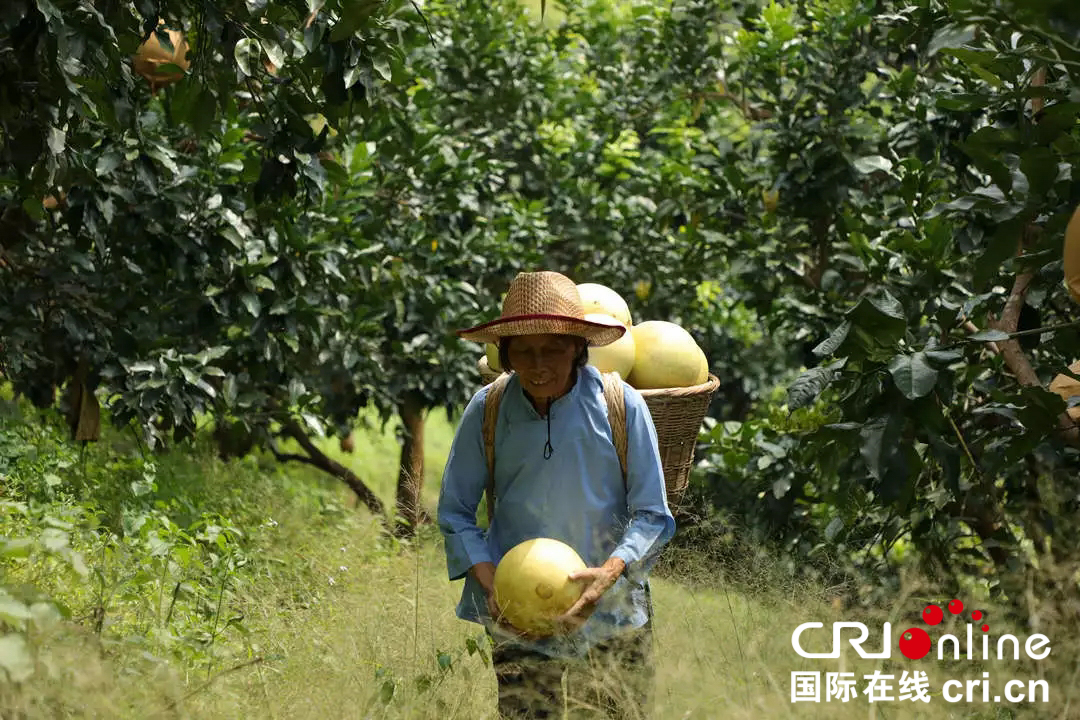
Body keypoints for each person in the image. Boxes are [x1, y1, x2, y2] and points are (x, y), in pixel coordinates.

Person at [437, 270, 676, 719]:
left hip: (612, 614)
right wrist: (493, 586)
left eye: (552, 348)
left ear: (578, 348)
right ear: (505, 354)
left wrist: (608, 574)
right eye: (523, 352)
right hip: (517, 617)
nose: (538, 364)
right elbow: (454, 512)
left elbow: (651, 515)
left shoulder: (622, 406)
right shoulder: (487, 409)